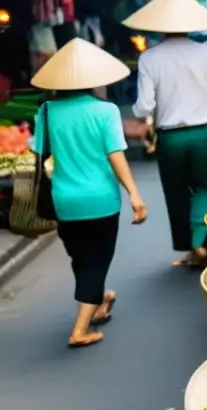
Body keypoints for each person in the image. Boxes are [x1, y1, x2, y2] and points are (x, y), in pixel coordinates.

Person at [30, 39, 147, 348]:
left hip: (64, 200)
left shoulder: (47, 111)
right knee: (97, 259)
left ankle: (98, 297)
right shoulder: (105, 110)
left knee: (82, 258)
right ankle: (80, 329)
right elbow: (115, 155)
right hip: (101, 201)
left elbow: (40, 154)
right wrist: (134, 195)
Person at [124, 0, 207, 267]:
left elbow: (144, 107)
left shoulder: (150, 57)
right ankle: (202, 244)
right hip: (200, 133)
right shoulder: (205, 53)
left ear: (158, 28)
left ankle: (191, 248)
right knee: (204, 188)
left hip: (169, 138)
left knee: (177, 193)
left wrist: (137, 113)